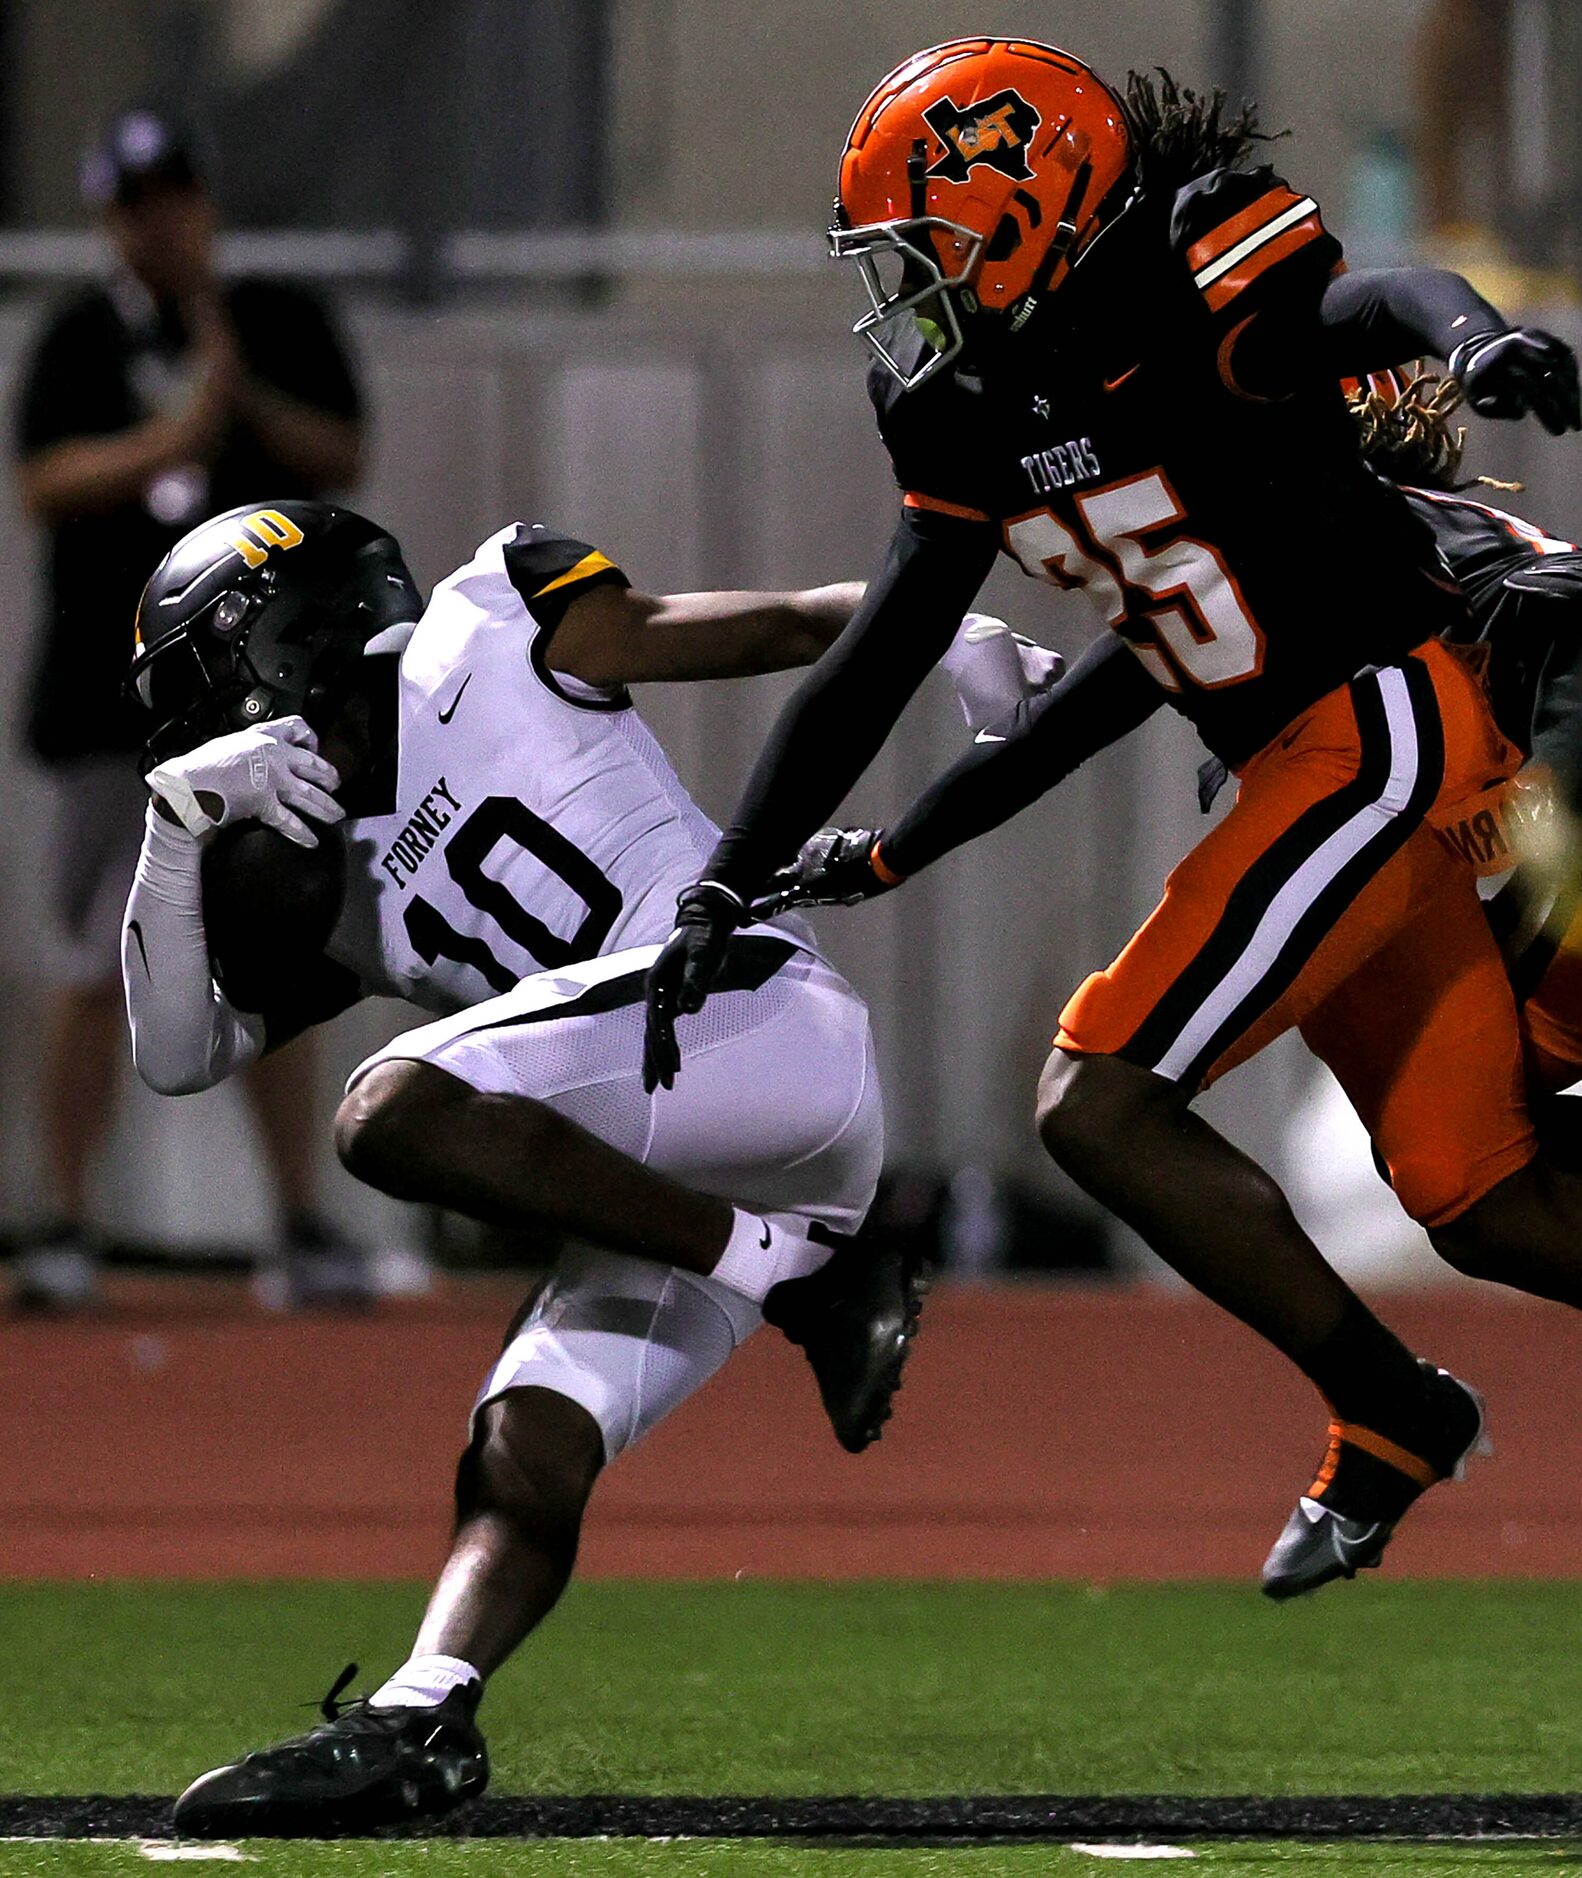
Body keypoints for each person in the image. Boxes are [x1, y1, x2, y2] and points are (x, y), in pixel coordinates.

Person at [642, 42, 1582, 1603]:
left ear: (1019, 211)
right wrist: (740, 877)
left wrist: (1479, 342)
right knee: (1480, 1196)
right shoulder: (959, 408)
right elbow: (906, 657)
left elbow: (1377, 304)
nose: (899, 290)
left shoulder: (1187, 271)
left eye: (920, 244)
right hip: (1308, 751)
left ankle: (1389, 1406)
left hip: (1384, 726)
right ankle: (1393, 1404)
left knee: (1096, 1099)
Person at [113, 500, 1038, 1835]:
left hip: (756, 1022)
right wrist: (178, 824)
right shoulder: (316, 865)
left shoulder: (486, 624)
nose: (198, 727)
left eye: (204, 684)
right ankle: (422, 1714)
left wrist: (953, 622)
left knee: (390, 1107)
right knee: (525, 1443)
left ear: (286, 639)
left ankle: (806, 1287)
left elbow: (737, 625)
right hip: (707, 1162)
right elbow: (179, 1053)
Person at [10, 110, 366, 1311]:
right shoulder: (78, 336)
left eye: (172, 199)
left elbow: (339, 449)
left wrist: (230, 382)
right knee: (87, 961)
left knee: (277, 944)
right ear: (110, 221)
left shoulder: (272, 321)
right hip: (107, 702)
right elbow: (44, 480)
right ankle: (65, 1222)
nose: (155, 225)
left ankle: (302, 1225)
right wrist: (167, 435)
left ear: (202, 204)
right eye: (131, 206)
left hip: (254, 697)